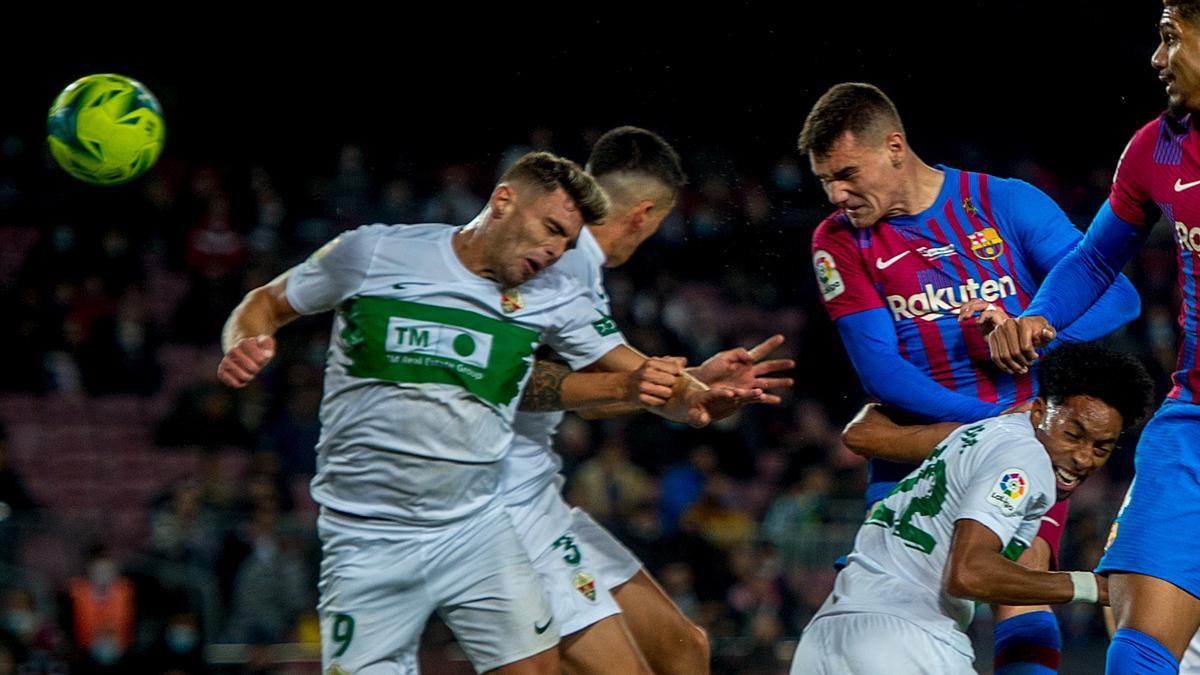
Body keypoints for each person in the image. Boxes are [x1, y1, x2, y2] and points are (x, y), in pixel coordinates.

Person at [217, 151, 755, 674]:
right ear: (502, 201)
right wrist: (246, 339)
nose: (554, 250)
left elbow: (639, 372)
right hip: (366, 536)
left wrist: (693, 393)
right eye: (549, 228)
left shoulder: (555, 290)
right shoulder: (374, 252)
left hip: (475, 525)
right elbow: (265, 301)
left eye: (566, 241)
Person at [800, 82, 1141, 672]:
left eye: (848, 174)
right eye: (826, 179)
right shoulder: (838, 241)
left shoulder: (1003, 202)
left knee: (1021, 578)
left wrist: (1033, 328)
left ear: (895, 147)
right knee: (908, 591)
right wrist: (991, 425)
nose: (837, 194)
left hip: (1022, 447)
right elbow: (881, 371)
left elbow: (1118, 300)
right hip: (929, 444)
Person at [500, 127, 793, 674]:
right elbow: (507, 374)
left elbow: (592, 395)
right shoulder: (564, 263)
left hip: (543, 504)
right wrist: (693, 392)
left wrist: (696, 382)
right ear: (645, 214)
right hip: (506, 511)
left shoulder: (571, 266)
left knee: (684, 649)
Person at [982, 3, 1200, 671]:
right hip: (1193, 424)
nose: (1157, 59)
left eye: (1171, 38)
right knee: (1137, 651)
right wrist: (1040, 316)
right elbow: (1099, 257)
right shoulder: (1157, 146)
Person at [790, 342, 1155, 674]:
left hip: (826, 636)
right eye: (1073, 435)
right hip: (907, 639)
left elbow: (860, 431)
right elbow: (968, 573)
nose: (1082, 458)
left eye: (1101, 448)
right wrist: (1093, 587)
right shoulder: (1026, 460)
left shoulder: (980, 432)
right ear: (1039, 411)